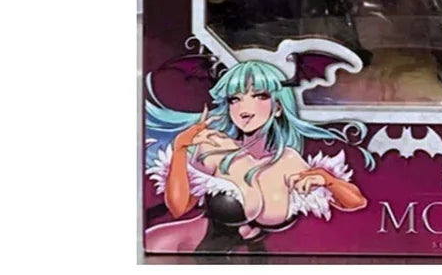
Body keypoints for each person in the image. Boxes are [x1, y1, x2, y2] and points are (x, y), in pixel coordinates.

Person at [145, 60, 366, 253]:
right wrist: (181, 148)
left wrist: (327, 179)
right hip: (184, 249)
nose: (245, 108)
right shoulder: (216, 148)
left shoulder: (289, 160)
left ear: (278, 107)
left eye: (260, 96)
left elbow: (356, 202)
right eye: (235, 99)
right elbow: (179, 207)